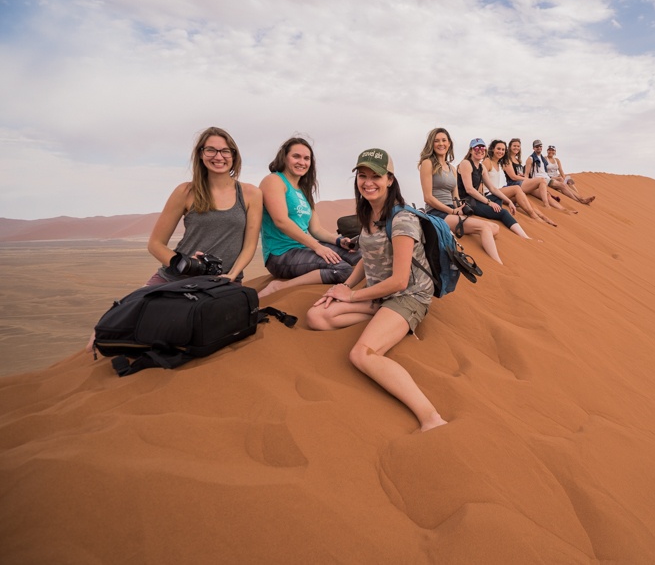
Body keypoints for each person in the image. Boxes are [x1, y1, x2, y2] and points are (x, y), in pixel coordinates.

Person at [306, 148, 447, 432]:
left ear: (390, 179)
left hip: (408, 297)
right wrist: (345, 285)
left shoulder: (402, 220)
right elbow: (366, 258)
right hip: (380, 296)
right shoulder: (370, 213)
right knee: (316, 316)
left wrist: (352, 296)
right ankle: (384, 318)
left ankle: (431, 418)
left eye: (376, 176)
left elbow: (400, 281)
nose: (368, 182)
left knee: (362, 354)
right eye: (362, 176)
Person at [87, 127, 263, 351]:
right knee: (106, 331)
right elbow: (155, 244)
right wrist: (185, 264)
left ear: (234, 155)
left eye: (225, 151)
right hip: (174, 278)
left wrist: (232, 274)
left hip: (223, 283)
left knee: (195, 339)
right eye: (211, 150)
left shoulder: (250, 194)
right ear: (201, 154)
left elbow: (250, 244)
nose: (218, 156)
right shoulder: (186, 192)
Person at [258, 137, 360, 298]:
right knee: (342, 269)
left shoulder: (303, 190)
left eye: (306, 158)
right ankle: (279, 287)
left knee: (361, 257)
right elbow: (281, 221)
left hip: (304, 248)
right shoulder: (274, 181)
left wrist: (339, 241)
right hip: (280, 255)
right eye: (296, 156)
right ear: (284, 157)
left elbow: (316, 229)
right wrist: (317, 247)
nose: (302, 162)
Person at [418, 128, 505, 264]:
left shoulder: (452, 168)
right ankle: (499, 265)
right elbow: (428, 198)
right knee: (484, 227)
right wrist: (452, 211)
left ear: (449, 143)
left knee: (495, 228)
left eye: (444, 140)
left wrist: (459, 208)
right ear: (431, 144)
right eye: (436, 141)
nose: (441, 144)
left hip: (452, 211)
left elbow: (455, 197)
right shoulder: (427, 163)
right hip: (437, 213)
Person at [458, 138, 532, 239]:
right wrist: (489, 202)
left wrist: (509, 201)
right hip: (467, 202)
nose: (480, 150)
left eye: (482, 148)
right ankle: (525, 237)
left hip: (476, 200)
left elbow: (492, 188)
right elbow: (469, 189)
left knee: (498, 197)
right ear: (471, 150)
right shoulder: (466, 163)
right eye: (476, 148)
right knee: (504, 212)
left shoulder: (481, 167)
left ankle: (494, 213)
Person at [484, 139, 556, 226]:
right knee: (517, 189)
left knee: (523, 197)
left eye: (503, 149)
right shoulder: (487, 161)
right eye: (498, 149)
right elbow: (480, 180)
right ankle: (534, 216)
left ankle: (542, 216)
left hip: (497, 193)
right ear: (492, 149)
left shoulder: (499, 163)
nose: (501, 151)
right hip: (488, 195)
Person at [503, 137, 575, 214]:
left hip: (522, 183)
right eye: (514, 146)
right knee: (541, 180)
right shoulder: (507, 160)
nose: (516, 148)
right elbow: (513, 177)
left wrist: (522, 176)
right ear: (510, 147)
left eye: (518, 146)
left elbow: (518, 174)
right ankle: (546, 205)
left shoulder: (517, 160)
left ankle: (564, 210)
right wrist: (527, 179)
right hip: (514, 184)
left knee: (546, 194)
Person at [527, 140, 595, 205]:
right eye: (549, 150)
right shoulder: (538, 158)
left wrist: (566, 179)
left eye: (540, 146)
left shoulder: (547, 159)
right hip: (546, 178)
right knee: (562, 183)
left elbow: (560, 170)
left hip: (549, 178)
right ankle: (580, 200)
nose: (551, 151)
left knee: (566, 181)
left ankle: (580, 197)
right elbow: (529, 172)